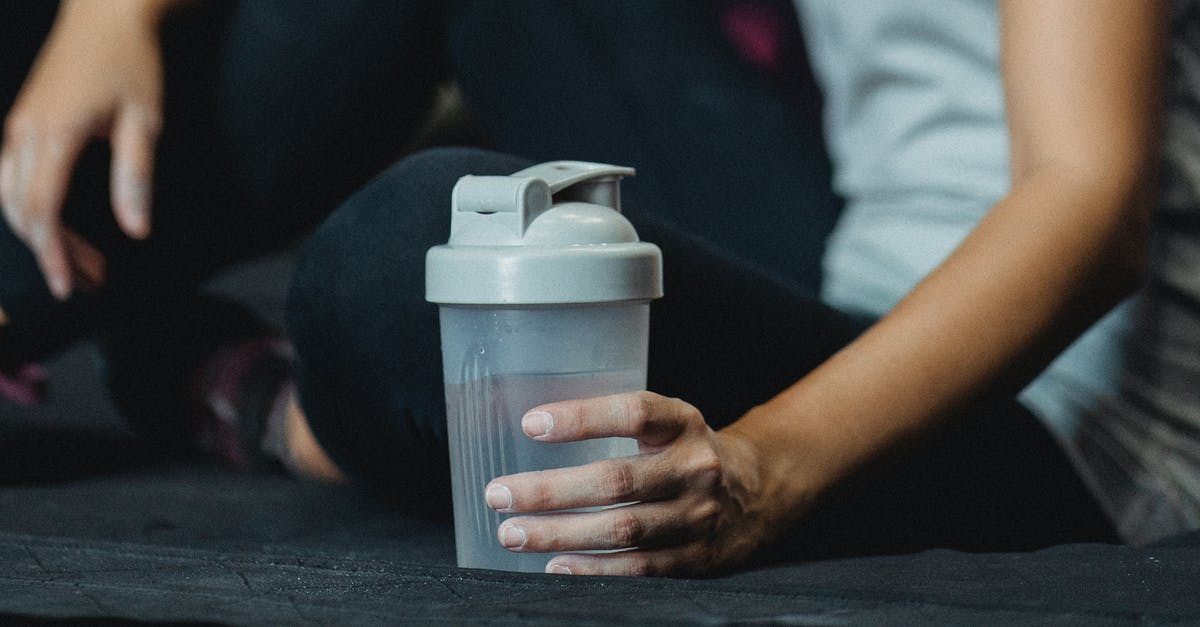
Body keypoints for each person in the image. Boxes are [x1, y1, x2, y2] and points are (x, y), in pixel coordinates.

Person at [282, 0, 1195, 578]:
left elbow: (1090, 202)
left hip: (1068, 419)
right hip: (852, 273)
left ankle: (259, 405)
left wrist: (762, 464)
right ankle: (155, 313)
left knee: (407, 248)